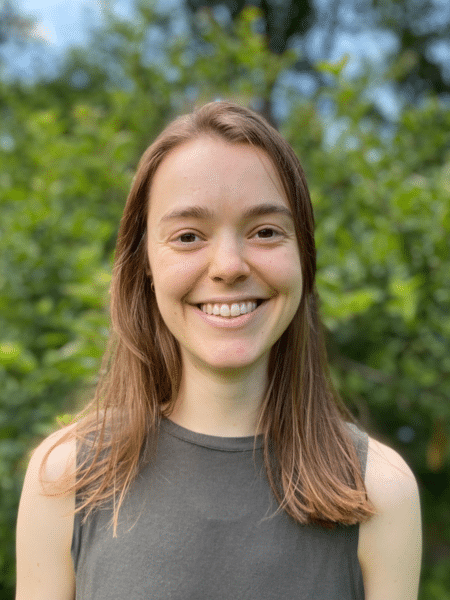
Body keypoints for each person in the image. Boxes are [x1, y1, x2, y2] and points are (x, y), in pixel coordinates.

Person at [16, 101, 422, 600]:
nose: (229, 266)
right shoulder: (67, 478)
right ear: (144, 265)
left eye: (265, 232)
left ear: (304, 258)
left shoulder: (379, 490)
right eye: (188, 236)